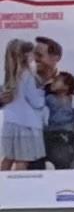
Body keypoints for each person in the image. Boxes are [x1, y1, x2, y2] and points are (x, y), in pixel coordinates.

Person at [1, 36, 49, 167]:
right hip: (26, 125)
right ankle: (20, 187)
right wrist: (43, 93)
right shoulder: (27, 75)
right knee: (23, 159)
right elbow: (36, 102)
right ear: (26, 55)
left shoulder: (9, 76)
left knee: (8, 158)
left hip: (10, 124)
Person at [40, 69, 74, 169]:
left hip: (55, 135)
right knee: (70, 164)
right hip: (69, 136)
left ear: (66, 86)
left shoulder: (50, 98)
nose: (53, 81)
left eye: (56, 80)